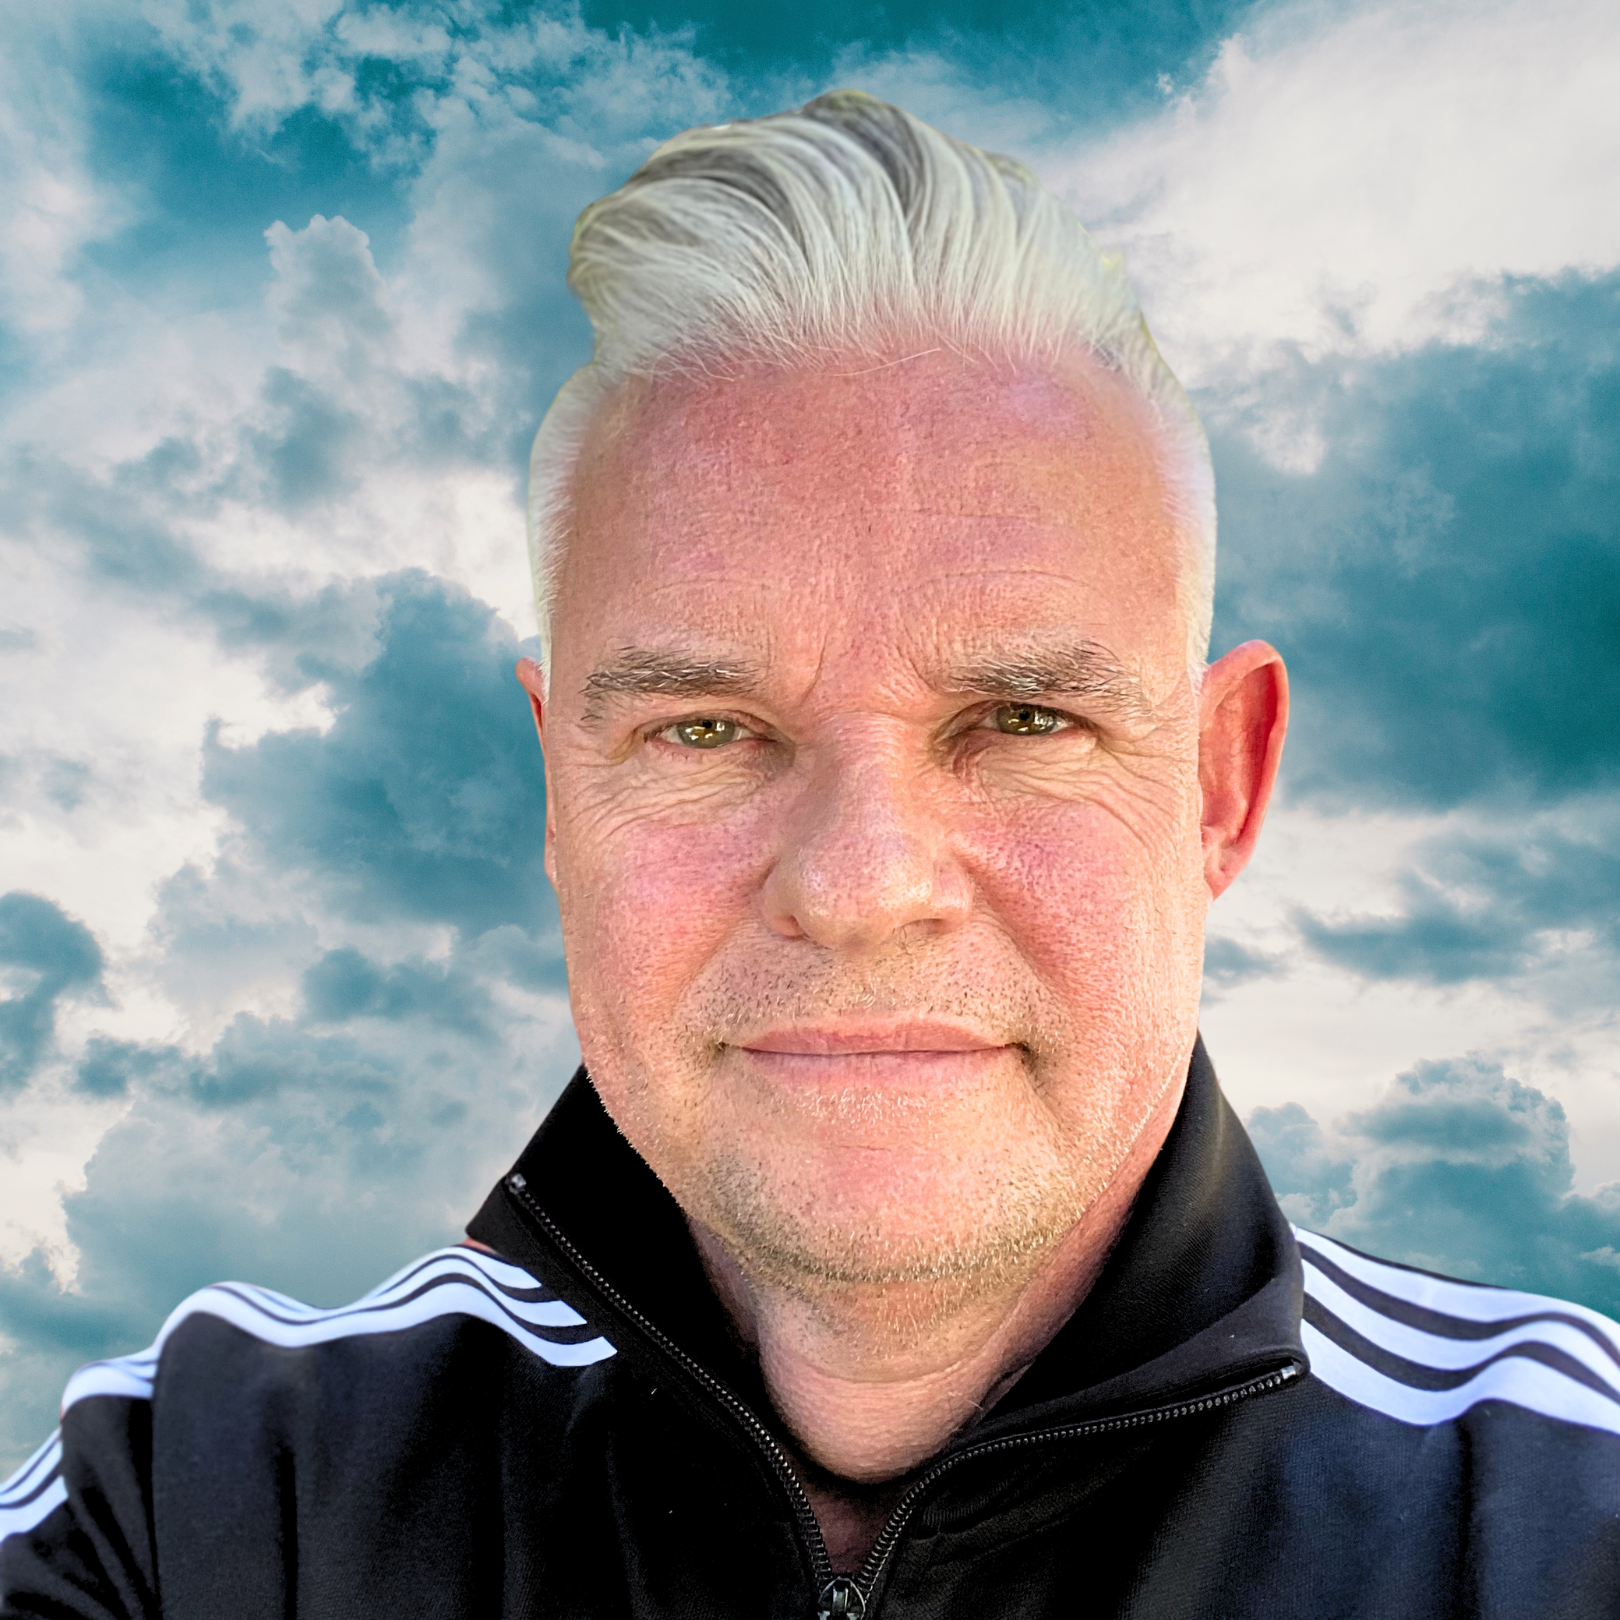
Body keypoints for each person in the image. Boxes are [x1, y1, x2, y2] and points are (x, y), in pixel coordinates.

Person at [2, 89, 1617, 1620]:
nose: (857, 886)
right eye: (704, 731)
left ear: (1218, 787)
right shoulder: (199, 1508)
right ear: (559, 797)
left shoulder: (1562, 1524)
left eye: (1023, 719)